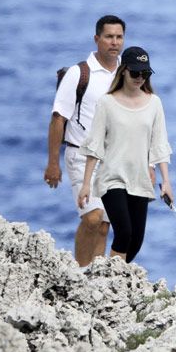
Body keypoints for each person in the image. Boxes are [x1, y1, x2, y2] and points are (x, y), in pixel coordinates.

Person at [77, 47, 173, 263]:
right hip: (112, 178)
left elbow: (159, 145)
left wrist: (166, 181)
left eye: (145, 74)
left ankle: (115, 278)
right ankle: (110, 281)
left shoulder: (154, 103)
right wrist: (85, 184)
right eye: (135, 73)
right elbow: (94, 147)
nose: (140, 78)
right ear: (123, 71)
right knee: (124, 233)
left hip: (139, 179)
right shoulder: (106, 102)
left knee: (136, 241)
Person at [45, 15, 126, 267]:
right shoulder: (79, 73)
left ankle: (94, 277)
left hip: (113, 160)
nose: (114, 42)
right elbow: (58, 118)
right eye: (109, 37)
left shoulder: (127, 72)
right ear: (97, 39)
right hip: (80, 154)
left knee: (103, 226)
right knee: (92, 217)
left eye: (119, 37)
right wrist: (52, 164)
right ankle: (78, 274)